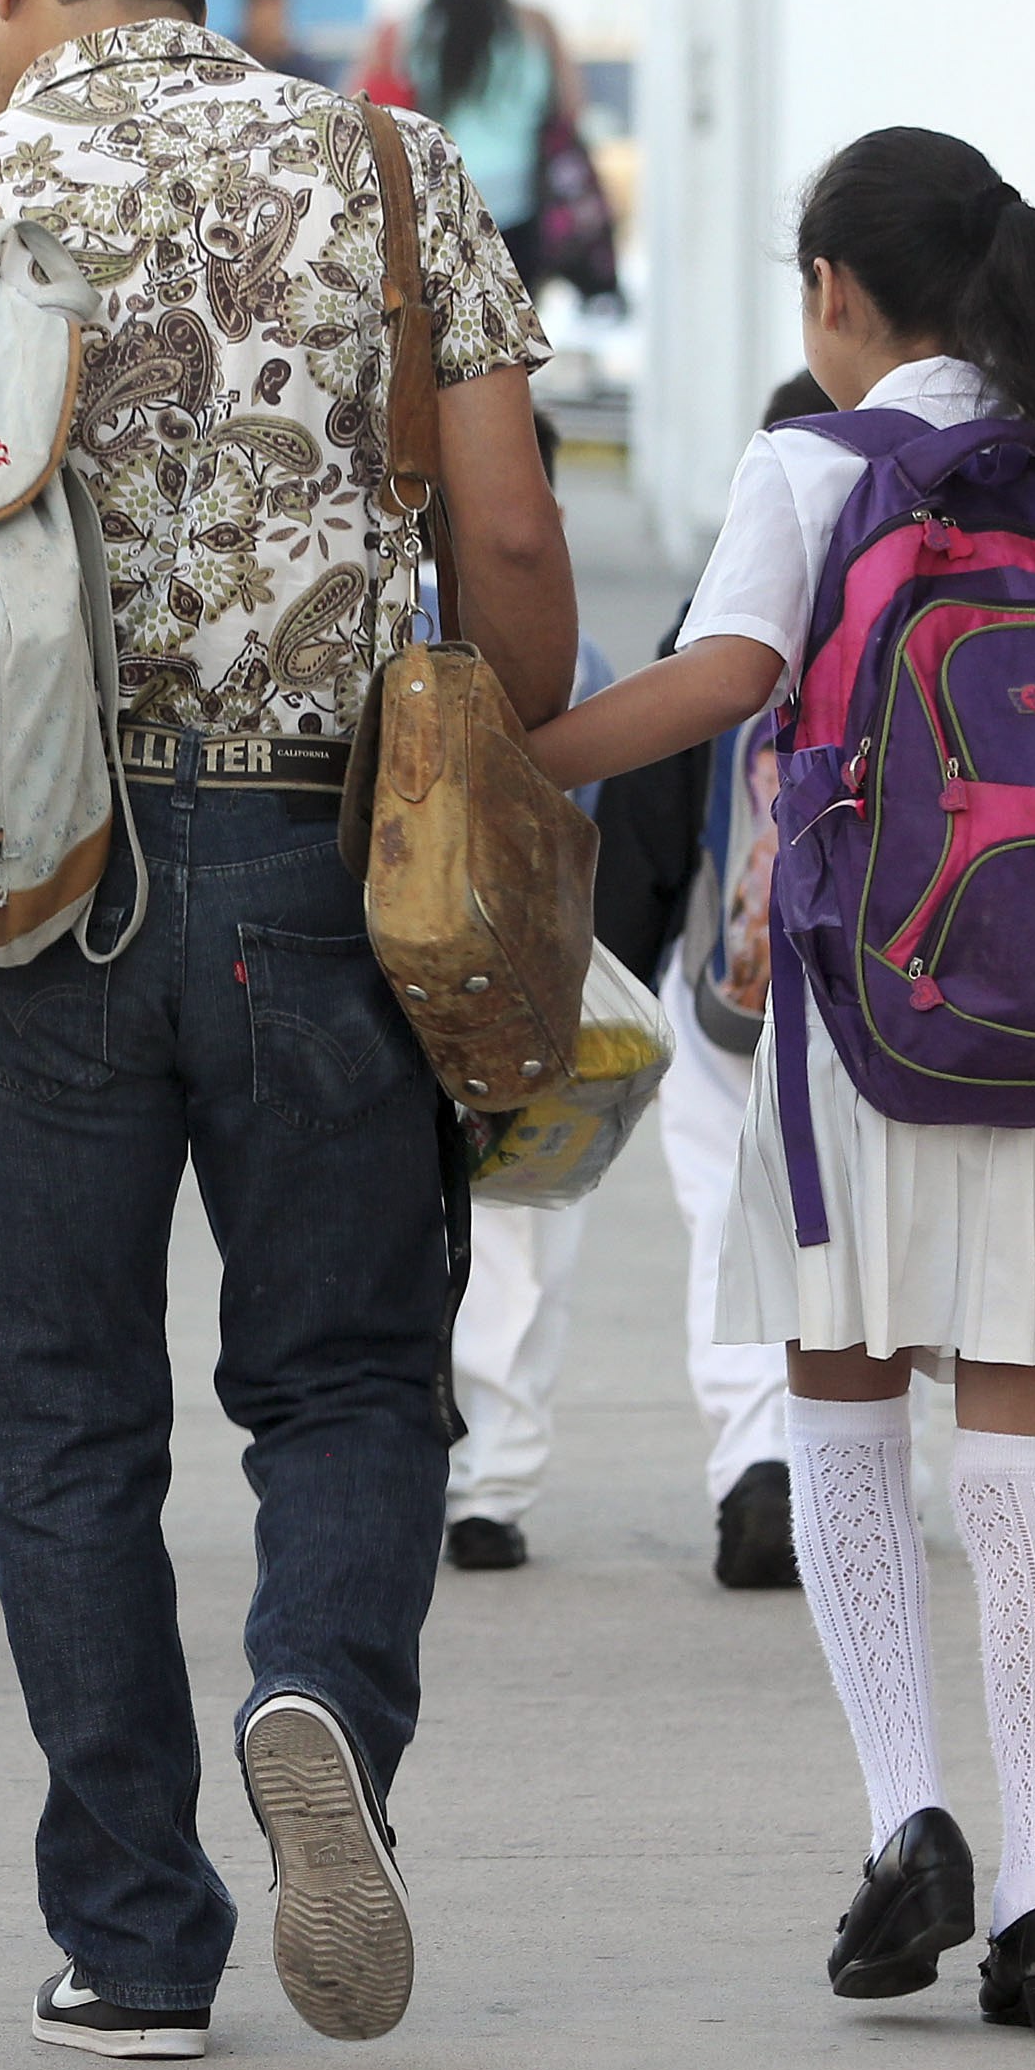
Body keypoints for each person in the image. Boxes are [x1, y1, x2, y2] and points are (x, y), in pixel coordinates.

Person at [0, 0, 572, 2057]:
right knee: (339, 1379)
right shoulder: (389, 177)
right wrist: (498, 755)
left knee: (55, 1424)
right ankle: (315, 1701)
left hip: (37, 892)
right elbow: (504, 548)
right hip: (323, 870)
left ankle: (132, 1942)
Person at [524, 128, 1035, 2038]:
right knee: (1027, 1470)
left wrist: (514, 747)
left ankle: (908, 1823)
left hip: (877, 1037)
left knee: (845, 1413)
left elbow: (713, 685)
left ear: (836, 297)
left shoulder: (814, 467)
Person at [657, 370, 839, 1594]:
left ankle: (756, 1462)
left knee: (728, 1211)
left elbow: (660, 807)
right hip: (903, 996)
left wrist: (601, 965)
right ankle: (847, 1487)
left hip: (743, 983)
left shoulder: (729, 613)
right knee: (871, 1233)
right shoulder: (946, 576)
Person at [439, 412, 611, 1577]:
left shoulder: (377, 622)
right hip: (527, 990)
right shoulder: (575, 656)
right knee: (520, 1234)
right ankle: (490, 1482)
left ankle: (409, 1451)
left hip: (373, 971)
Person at [369, 0, 582, 294]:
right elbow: (572, 106)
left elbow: (364, 104)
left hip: (447, 208)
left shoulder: (408, 32)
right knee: (519, 334)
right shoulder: (534, 25)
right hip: (523, 205)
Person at [236, 0, 324, 84]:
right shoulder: (229, 61)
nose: (265, 30)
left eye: (271, 21)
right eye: (261, 20)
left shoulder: (304, 71)